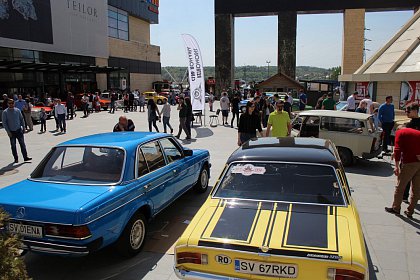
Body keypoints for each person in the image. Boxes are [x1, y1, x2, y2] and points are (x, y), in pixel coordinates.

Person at [385, 128, 420, 219]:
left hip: (410, 163)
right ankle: (410, 211)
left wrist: (396, 166)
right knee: (416, 189)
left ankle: (396, 208)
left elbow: (397, 149)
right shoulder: (416, 133)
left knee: (400, 186)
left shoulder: (400, 133)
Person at [2, 99, 32, 163]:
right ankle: (16, 158)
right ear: (8, 104)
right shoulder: (5, 112)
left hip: (19, 130)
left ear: (14, 103)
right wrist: (8, 132)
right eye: (9, 103)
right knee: (13, 145)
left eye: (12, 103)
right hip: (11, 132)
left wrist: (23, 128)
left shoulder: (17, 110)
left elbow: (21, 119)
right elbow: (4, 123)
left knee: (22, 144)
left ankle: (25, 157)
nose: (11, 104)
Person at [402, 103, 420, 201]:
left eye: (408, 111)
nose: (406, 113)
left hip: (416, 156)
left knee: (415, 179)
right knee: (406, 178)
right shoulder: (409, 124)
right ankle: (405, 196)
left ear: (414, 111)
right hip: (408, 154)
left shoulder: (415, 124)